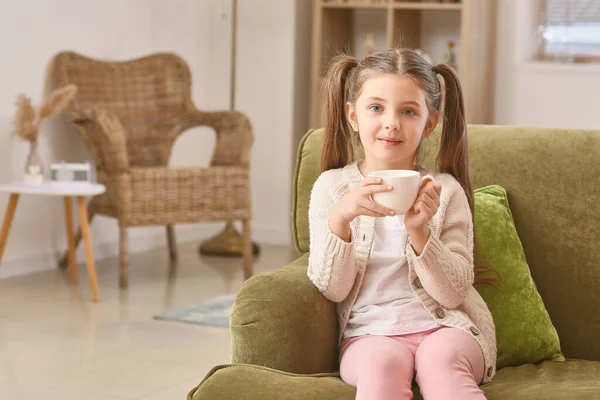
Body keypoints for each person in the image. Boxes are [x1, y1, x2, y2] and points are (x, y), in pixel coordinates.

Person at [307, 48, 497, 400]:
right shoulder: (332, 189)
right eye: (376, 108)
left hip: (446, 327)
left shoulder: (445, 192)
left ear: (430, 123)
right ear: (352, 115)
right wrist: (341, 219)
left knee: (440, 365)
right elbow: (332, 290)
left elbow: (453, 293)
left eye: (408, 111)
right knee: (381, 367)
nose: (392, 122)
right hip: (369, 336)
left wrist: (420, 232)